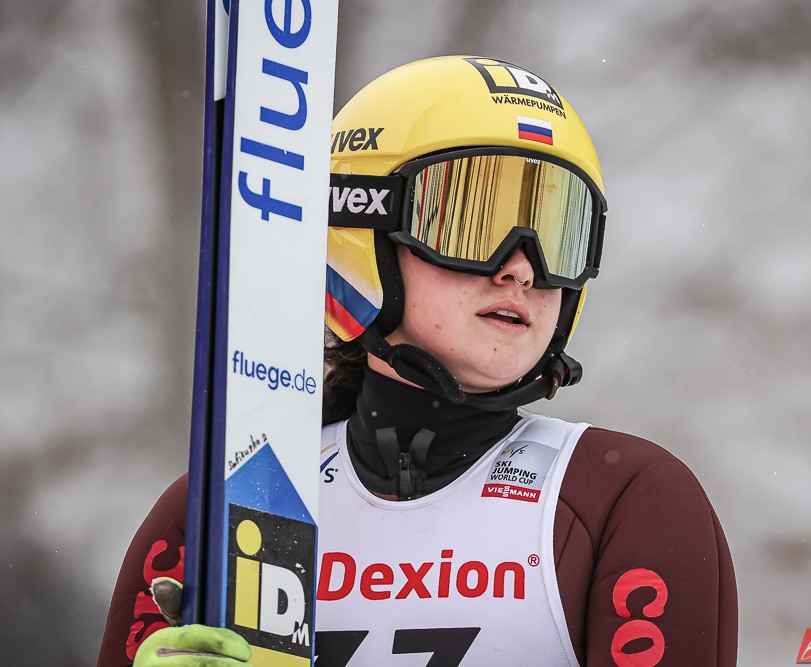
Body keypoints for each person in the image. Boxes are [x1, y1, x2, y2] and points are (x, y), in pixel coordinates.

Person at [98, 55, 737, 667]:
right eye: (471, 222)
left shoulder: (622, 498)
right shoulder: (225, 504)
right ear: (361, 228)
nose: (521, 268)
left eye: (556, 234)